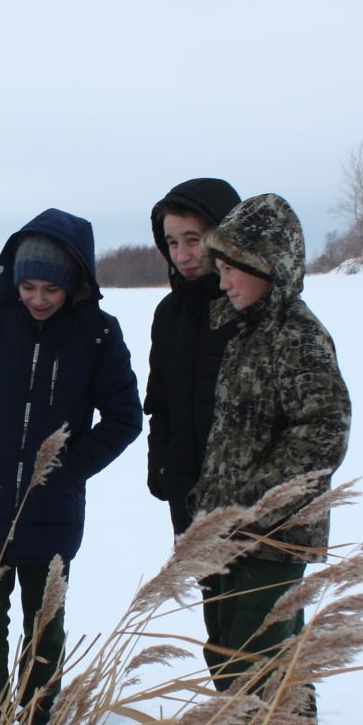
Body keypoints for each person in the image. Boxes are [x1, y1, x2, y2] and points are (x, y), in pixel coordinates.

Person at [0, 210, 141, 725]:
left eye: (51, 288)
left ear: (74, 282)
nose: (39, 299)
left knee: (43, 626)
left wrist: (69, 468)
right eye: (28, 287)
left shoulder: (97, 332)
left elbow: (124, 417)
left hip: (54, 507)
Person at [176, 194, 350, 725]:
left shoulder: (298, 338)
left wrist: (258, 506)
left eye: (233, 268)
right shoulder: (244, 331)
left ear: (273, 267)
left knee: (266, 665)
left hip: (272, 537)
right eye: (218, 266)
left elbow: (323, 430)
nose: (221, 279)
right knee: (228, 653)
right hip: (227, 532)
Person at [144, 178, 242, 535]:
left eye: (193, 240)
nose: (182, 255)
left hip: (257, 515)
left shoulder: (254, 307)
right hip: (189, 505)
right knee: (211, 594)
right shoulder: (169, 313)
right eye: (172, 242)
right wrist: (163, 469)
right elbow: (160, 404)